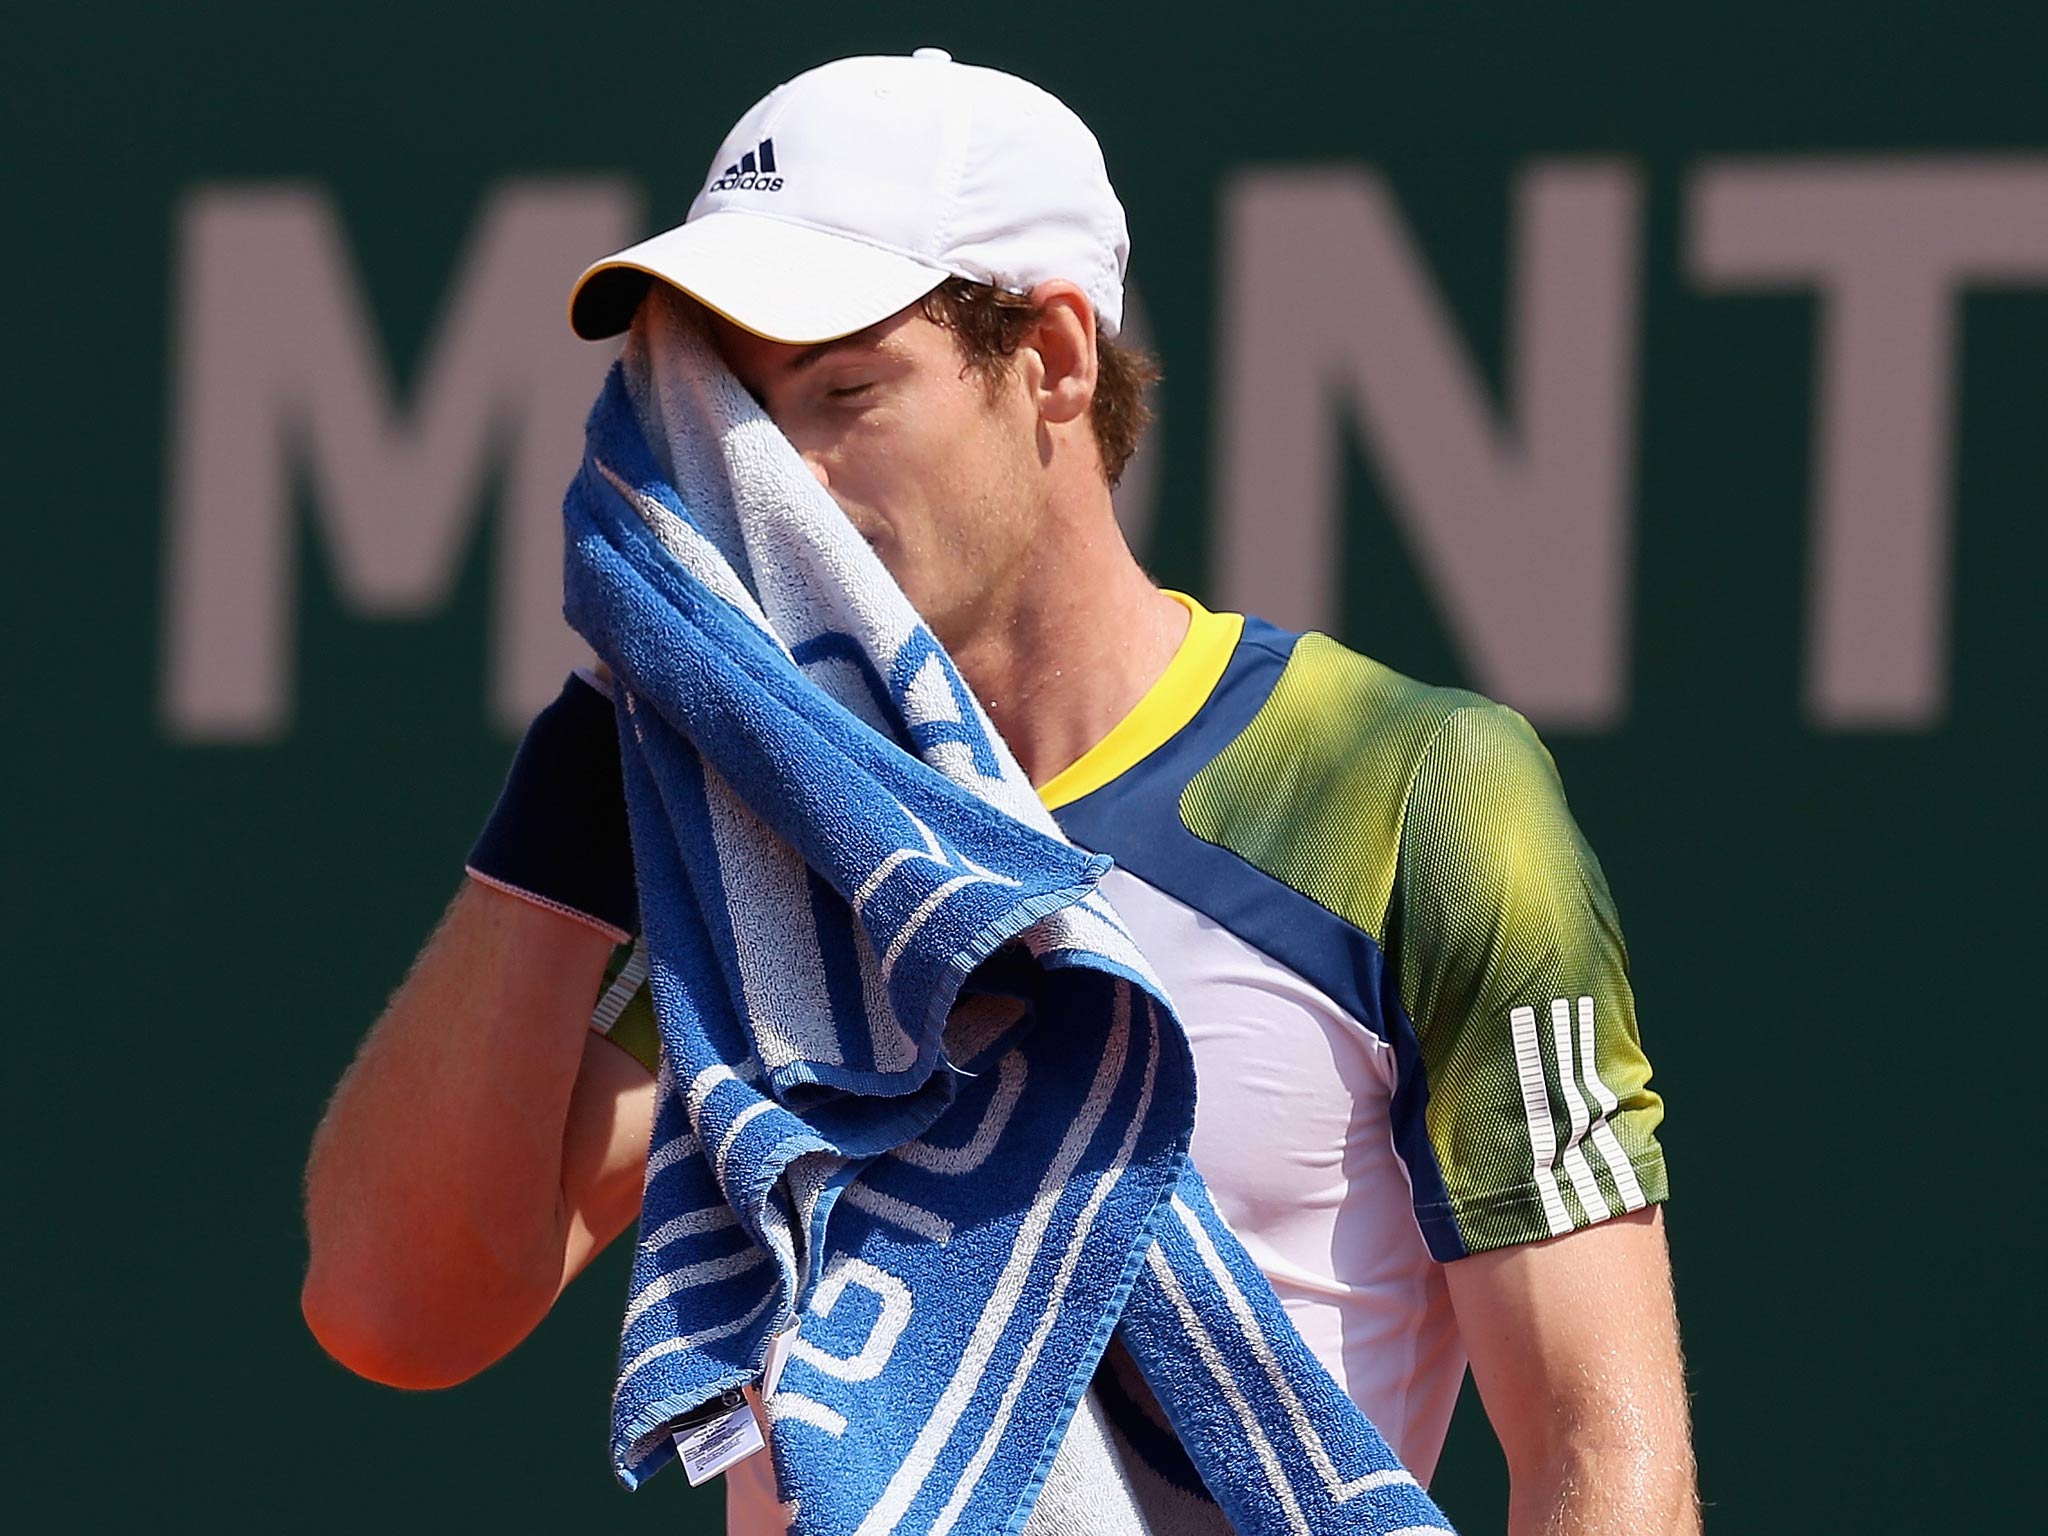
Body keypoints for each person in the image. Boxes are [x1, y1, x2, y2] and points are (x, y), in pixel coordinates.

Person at [301, 48, 1699, 1536]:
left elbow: (1597, 1455)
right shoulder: (743, 831)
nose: (783, 487)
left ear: (1053, 358)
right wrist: (583, 780)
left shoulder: (1413, 790)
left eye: (846, 392)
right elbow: (401, 1307)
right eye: (737, 426)